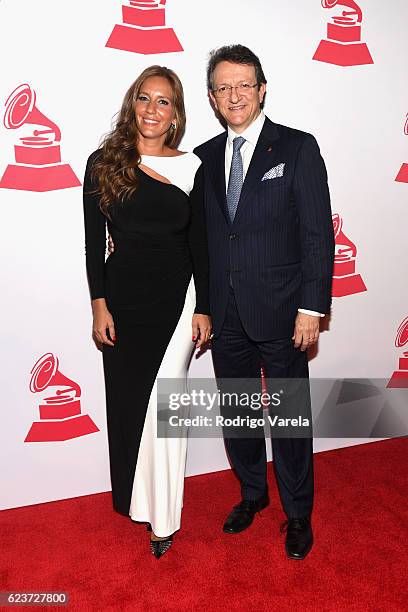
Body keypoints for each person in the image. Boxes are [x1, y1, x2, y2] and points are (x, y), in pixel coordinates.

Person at [193, 45, 335, 560]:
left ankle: (298, 513)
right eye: (224, 87)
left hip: (283, 312)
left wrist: (311, 307)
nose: (235, 96)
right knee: (240, 415)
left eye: (244, 85)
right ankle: (252, 494)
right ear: (212, 97)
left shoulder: (297, 148)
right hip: (225, 313)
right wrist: (204, 305)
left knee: (289, 418)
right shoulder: (206, 157)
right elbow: (204, 239)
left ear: (262, 88)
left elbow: (318, 233)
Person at [82, 65, 211, 559]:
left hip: (178, 306)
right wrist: (99, 305)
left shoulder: (192, 167)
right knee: (132, 409)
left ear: (176, 113)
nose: (152, 109)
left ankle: (165, 519)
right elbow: (94, 245)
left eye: (164, 101)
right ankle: (140, 502)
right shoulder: (104, 163)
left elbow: (201, 245)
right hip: (124, 303)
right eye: (144, 98)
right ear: (131, 104)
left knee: (167, 410)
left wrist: (205, 308)